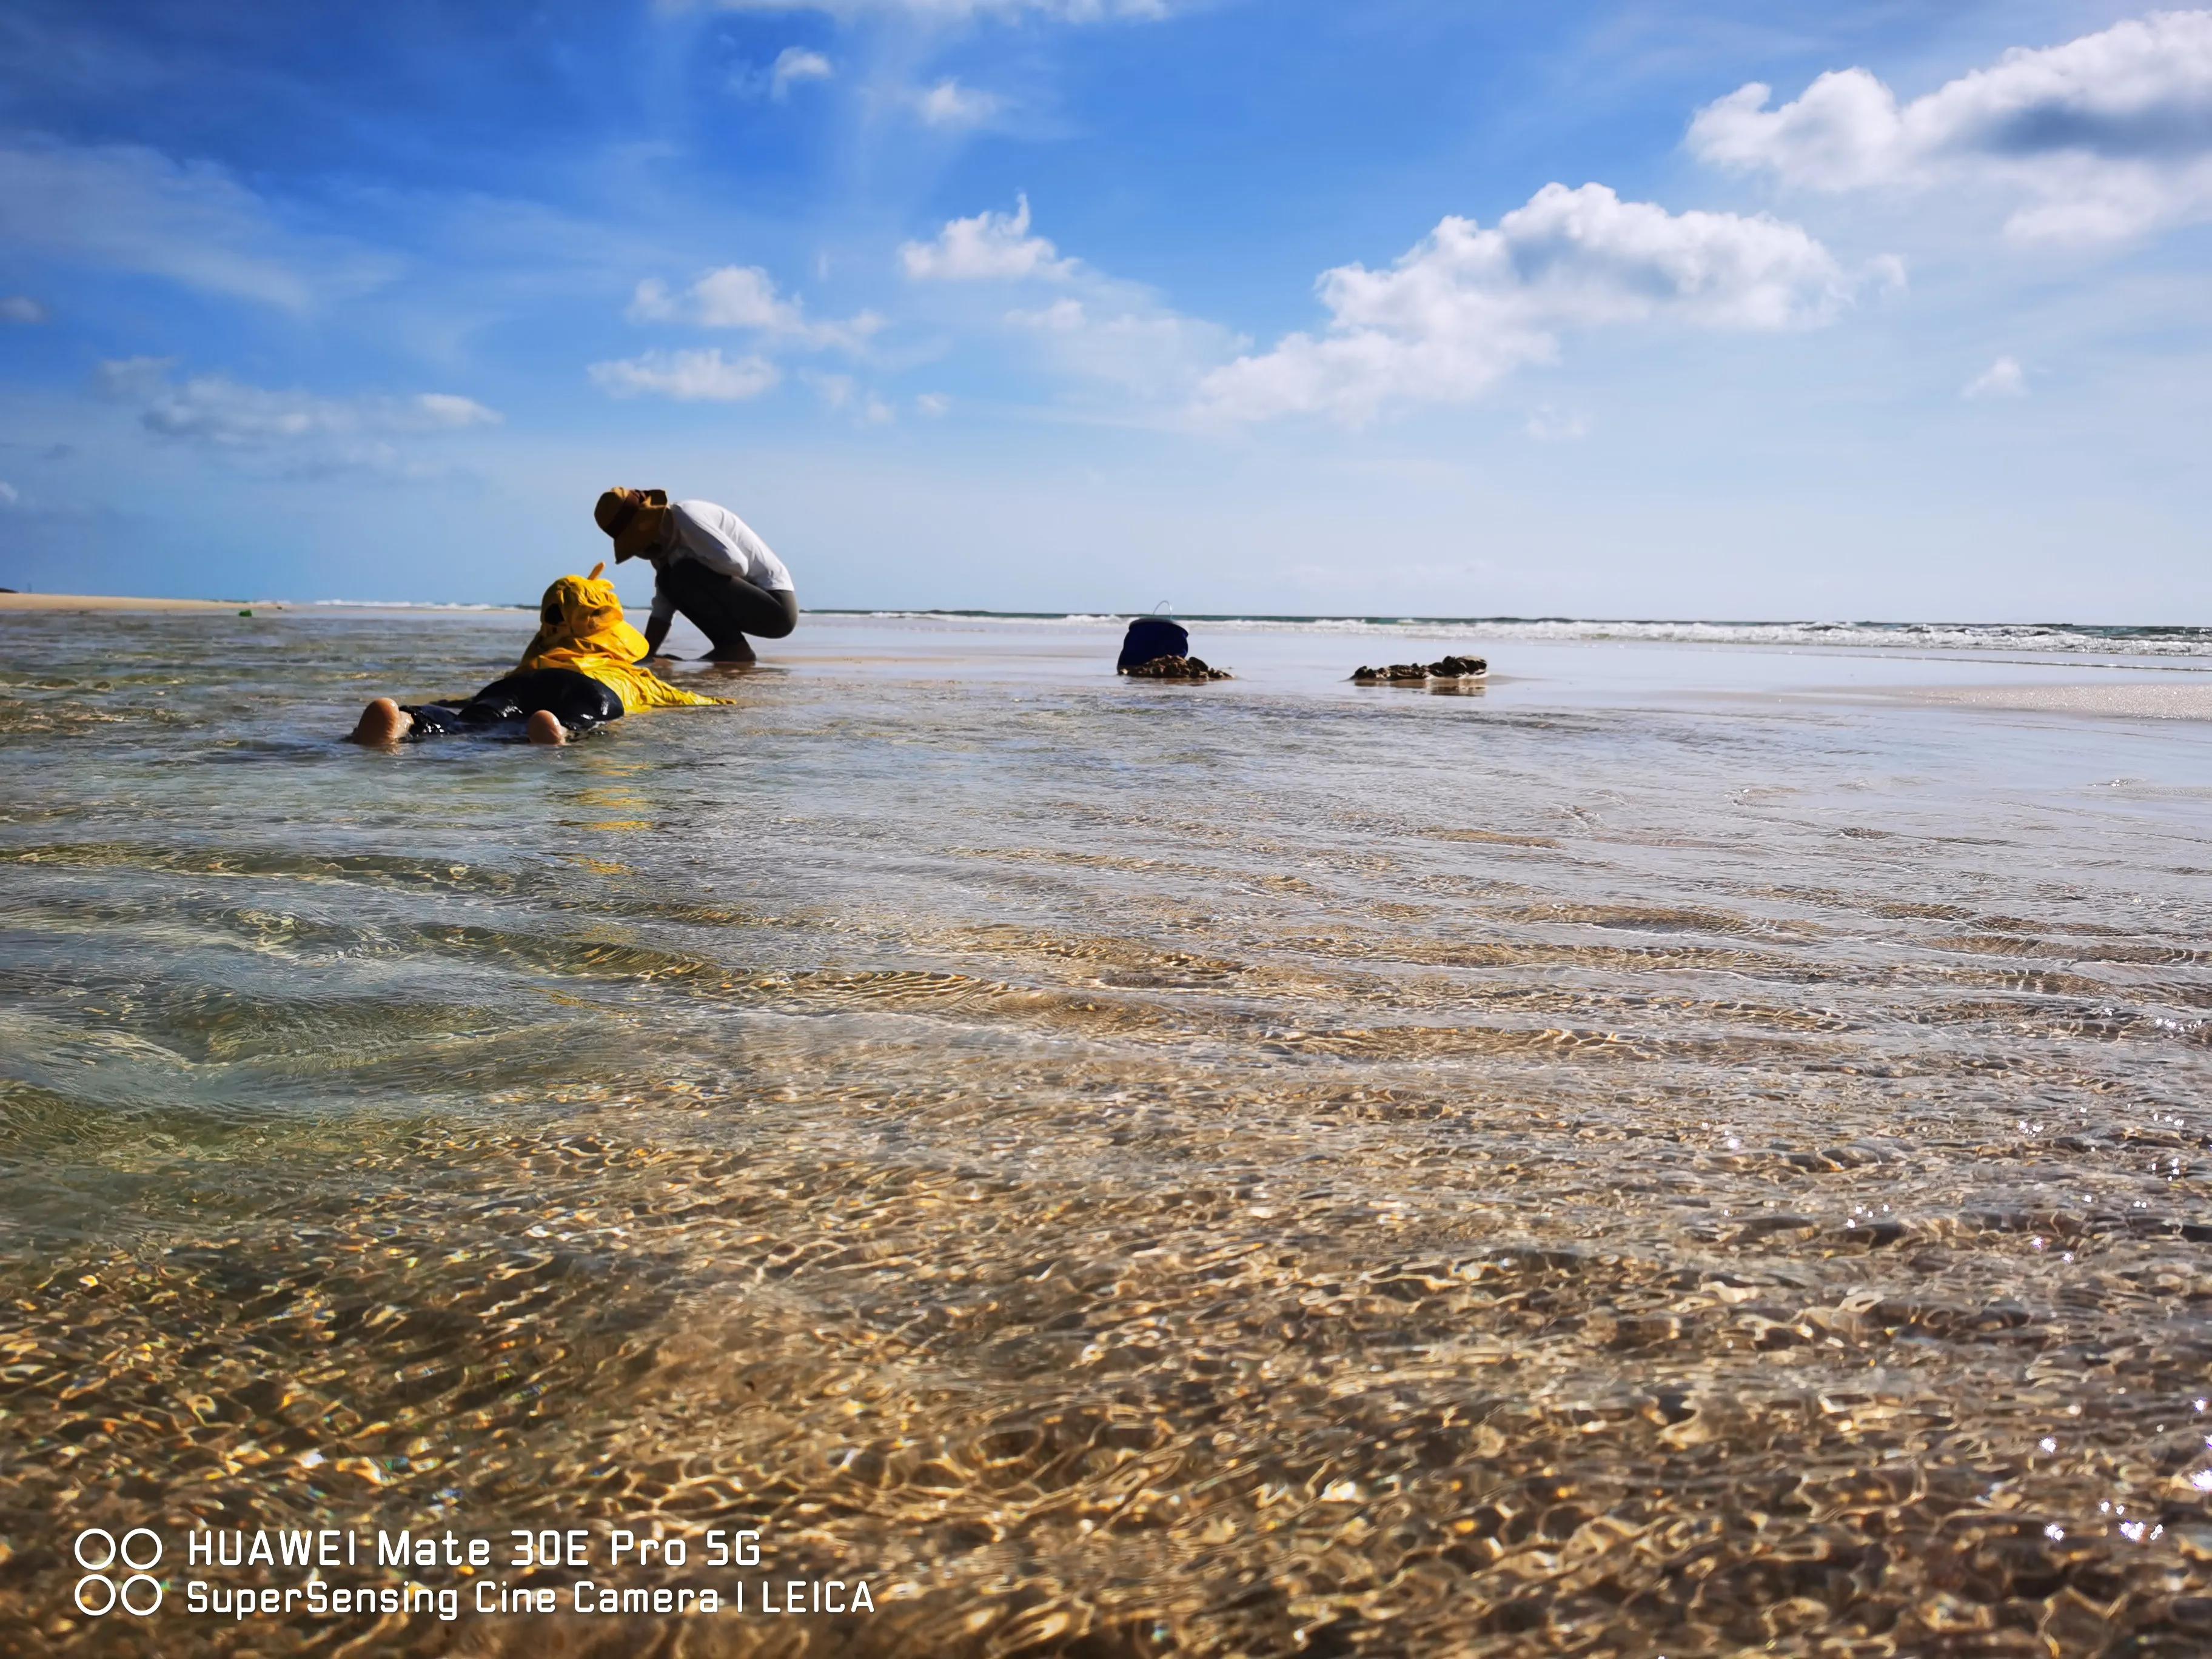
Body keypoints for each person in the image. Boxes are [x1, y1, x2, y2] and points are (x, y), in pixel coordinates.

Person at [346, 565, 727, 746]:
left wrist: (452, 700)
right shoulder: (627, 672)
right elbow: (677, 697)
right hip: (589, 690)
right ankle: (557, 729)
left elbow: (486, 695)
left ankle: (407, 721)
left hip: (519, 686)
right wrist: (715, 701)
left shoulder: (540, 655)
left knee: (470, 721)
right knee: (583, 724)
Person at [594, 488, 798, 664]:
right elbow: (664, 603)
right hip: (741, 599)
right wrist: (646, 654)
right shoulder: (664, 547)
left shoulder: (686, 516)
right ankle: (731, 646)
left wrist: (684, 561)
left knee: (683, 570)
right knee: (669, 577)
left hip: (776, 607)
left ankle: (735, 650)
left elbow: (737, 566)